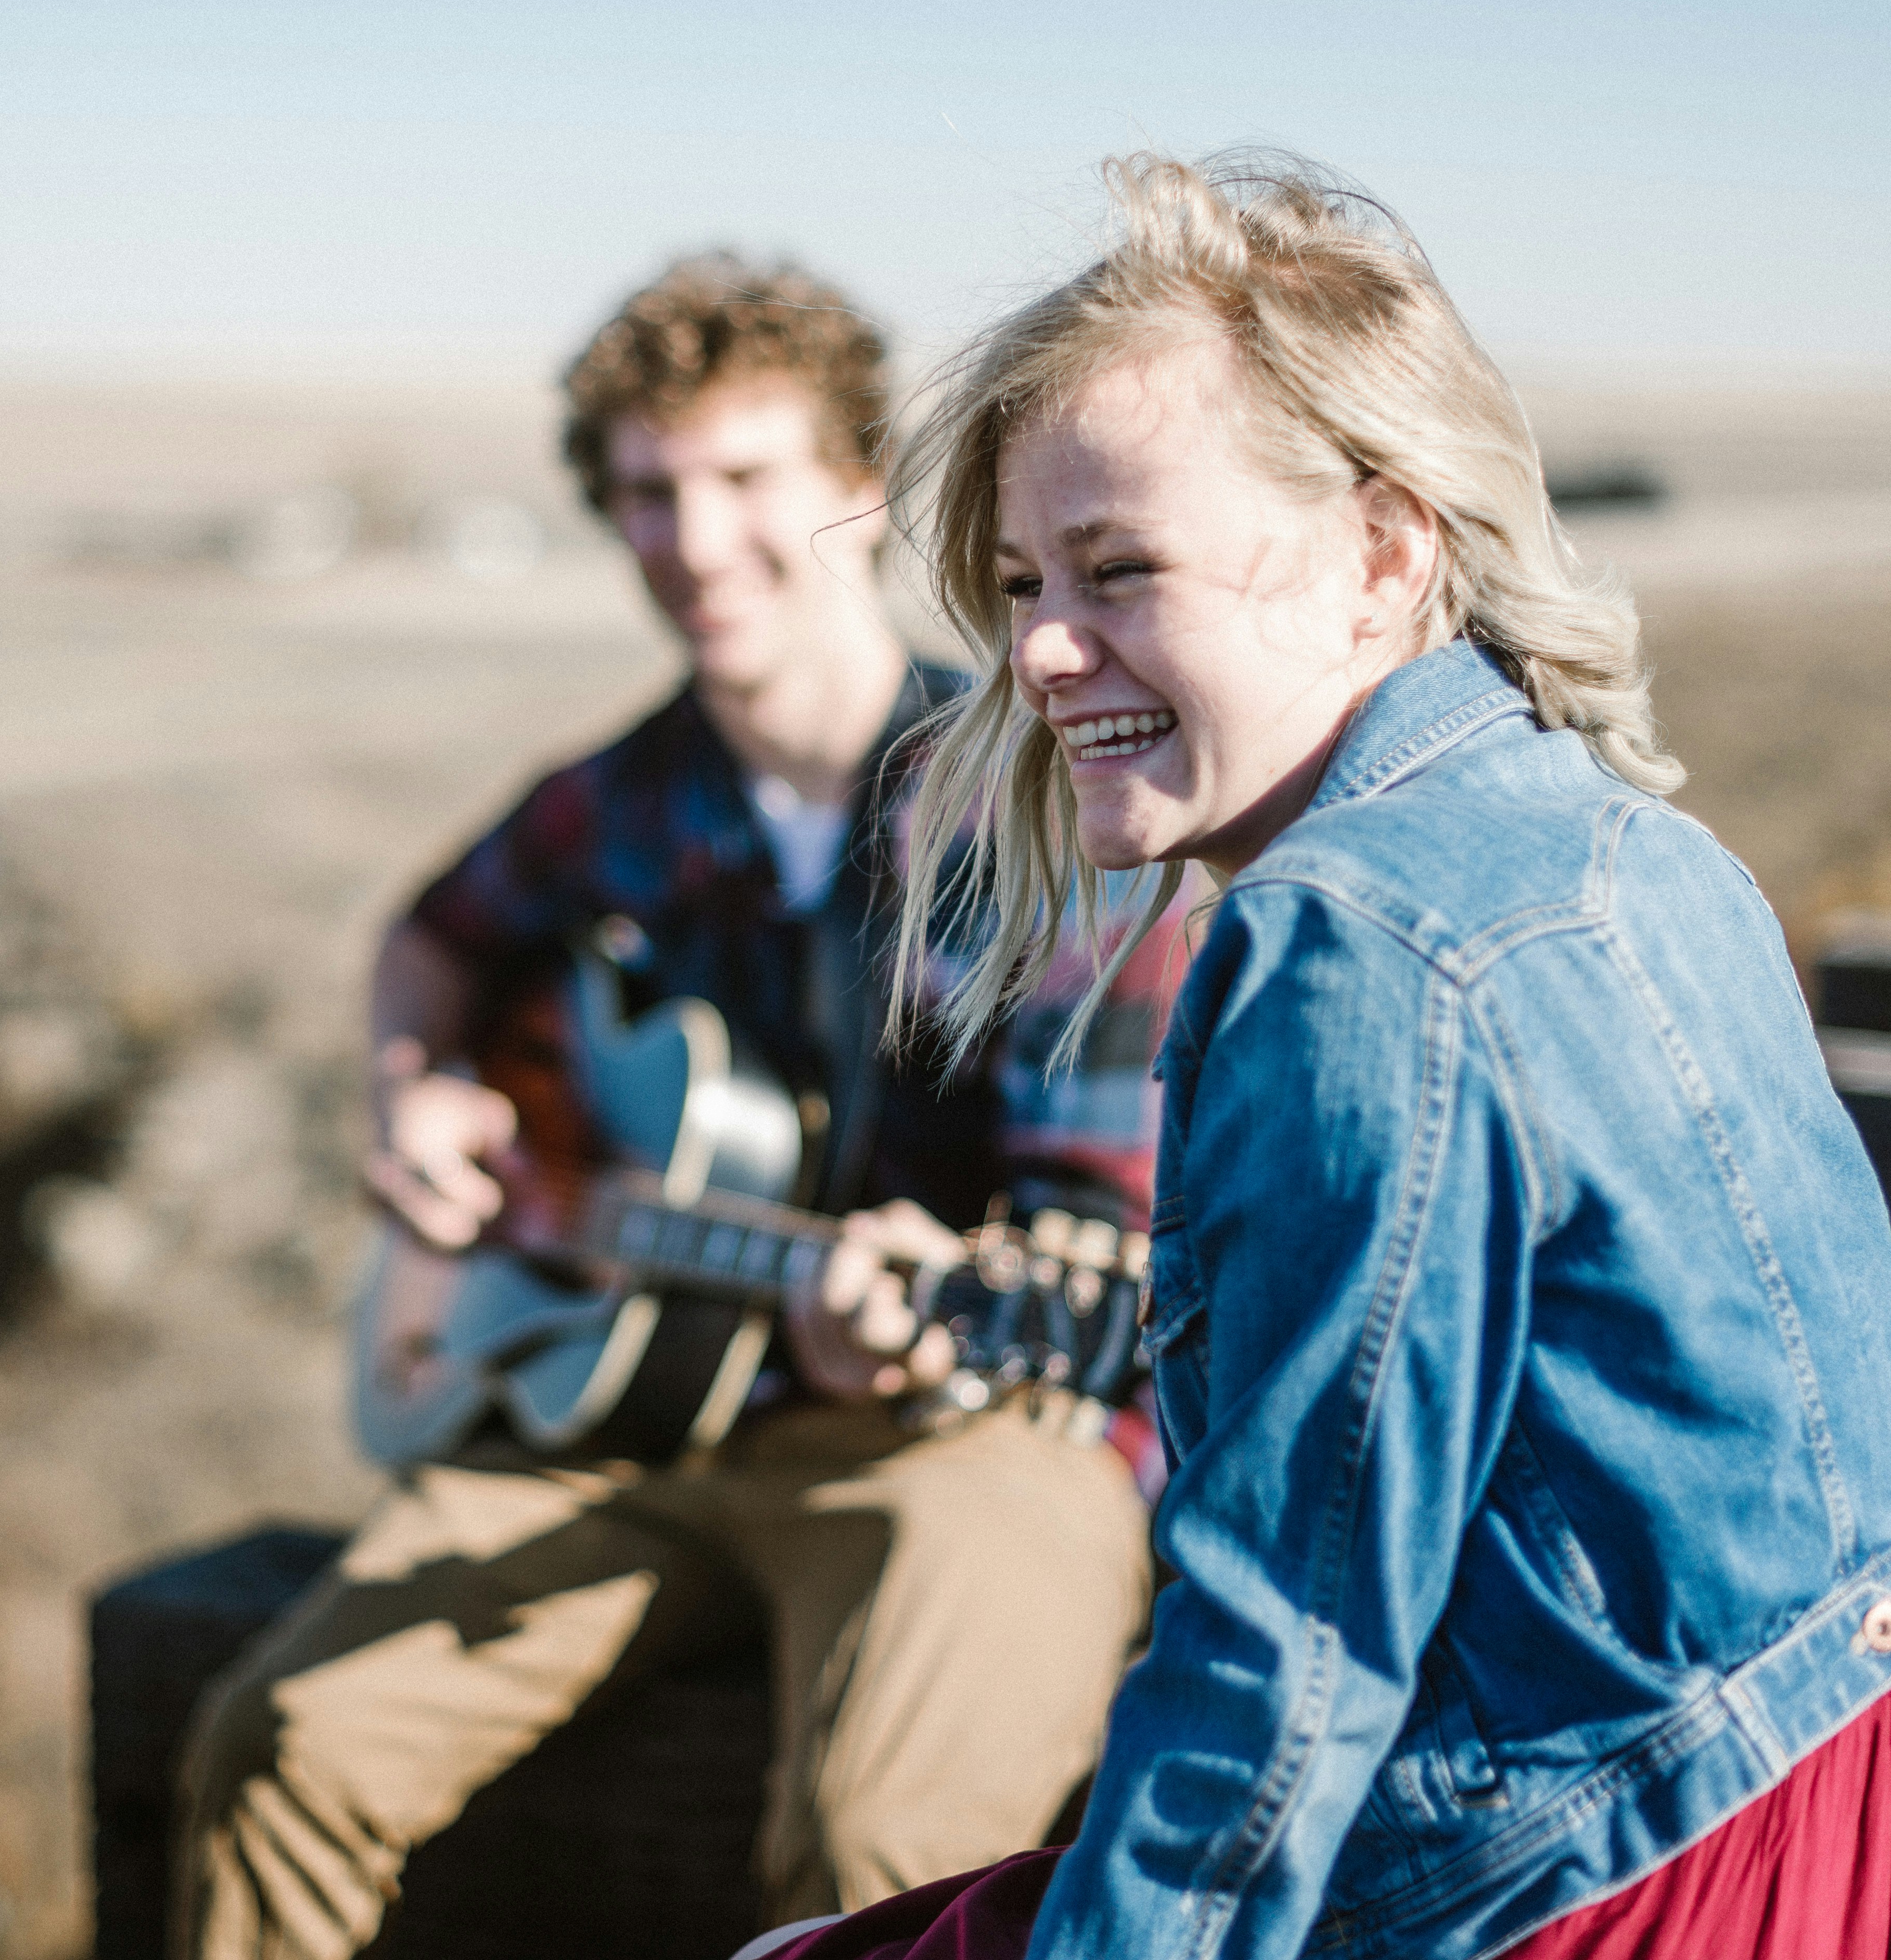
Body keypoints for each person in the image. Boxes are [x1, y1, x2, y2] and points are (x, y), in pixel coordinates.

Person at [747, 153, 1891, 1960]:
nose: (1046, 653)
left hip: (1602, 1874)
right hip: (1826, 1805)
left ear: (1385, 558)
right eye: (1017, 583)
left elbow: (1287, 1656)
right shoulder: (1631, 836)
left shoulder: (1350, 941)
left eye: (1121, 568)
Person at [174, 255, 1197, 1960]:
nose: (693, 538)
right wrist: (409, 1097)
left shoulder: (1040, 806)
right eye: (648, 493)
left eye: (743, 480)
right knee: (277, 1746)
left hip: (963, 1425)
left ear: (863, 490)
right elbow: (431, 945)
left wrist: (920, 1312)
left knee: (893, 1860)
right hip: (634, 1415)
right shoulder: (618, 800)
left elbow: (1088, 1240)